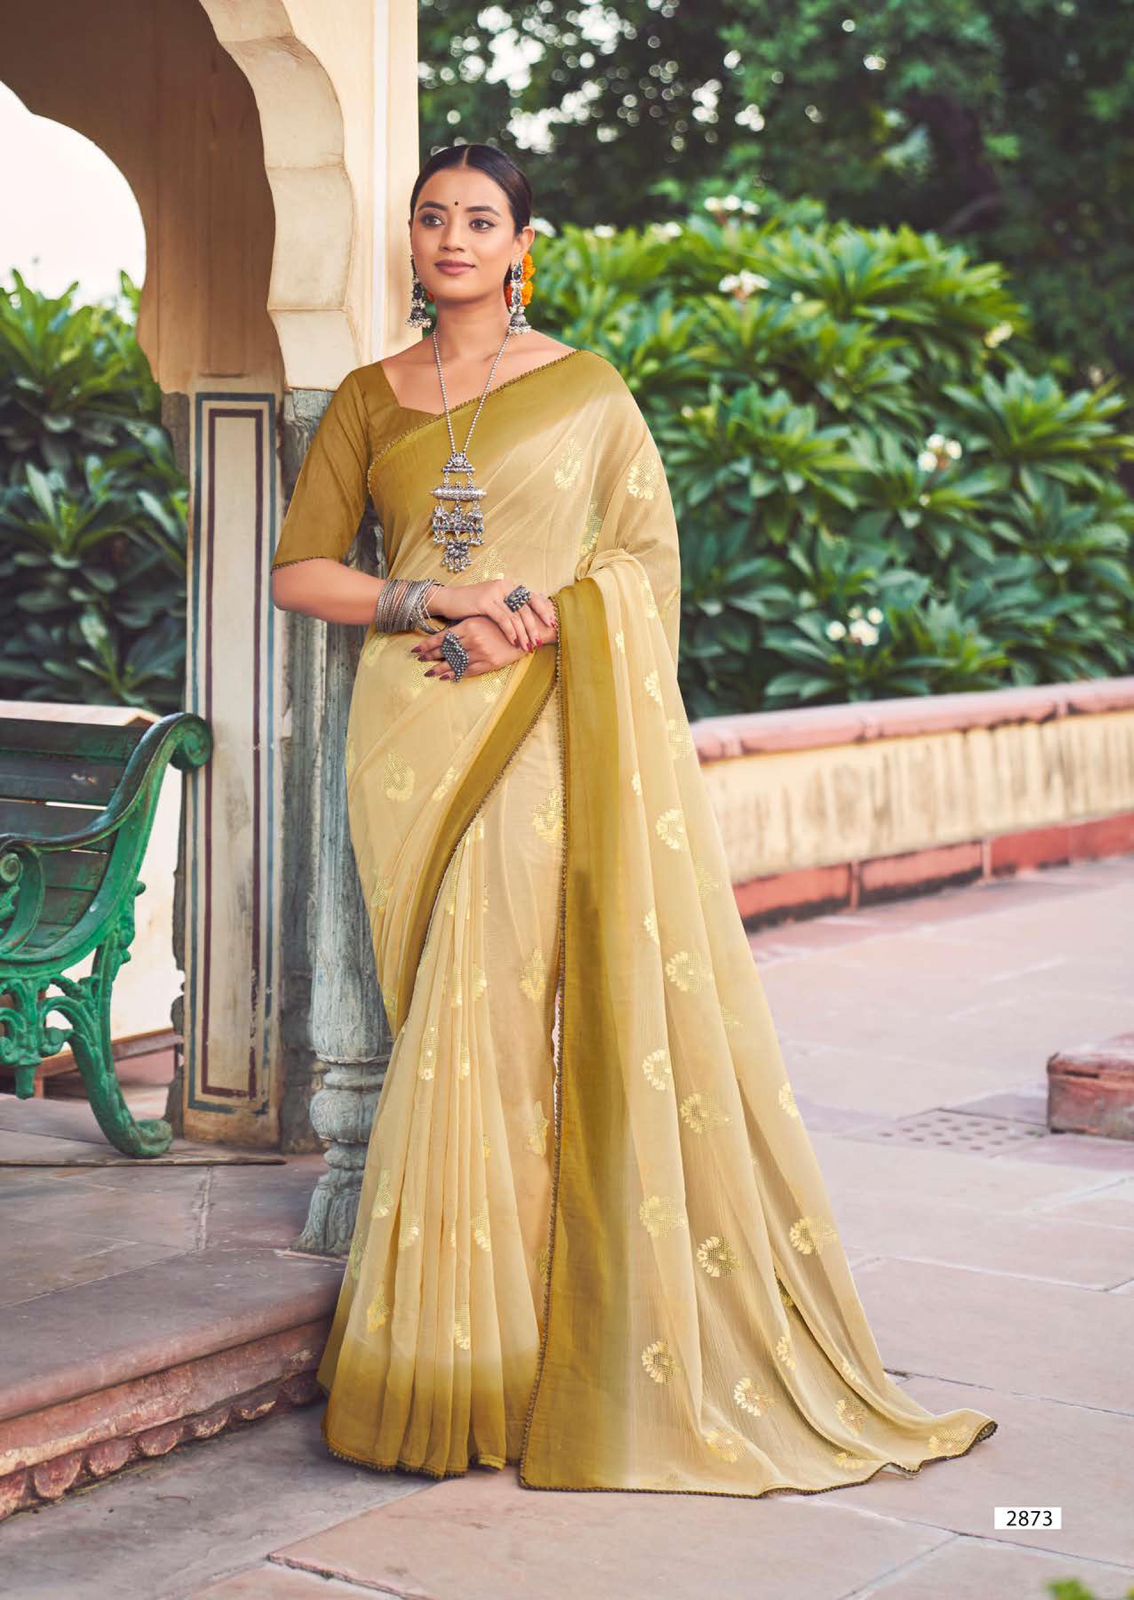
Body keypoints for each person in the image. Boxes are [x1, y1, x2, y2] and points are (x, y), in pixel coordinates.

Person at [269, 141, 997, 1497]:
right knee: (447, 1018)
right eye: (431, 217)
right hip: (412, 728)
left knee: (500, 1018)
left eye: (479, 219)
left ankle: (514, 1355)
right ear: (411, 242)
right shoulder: (370, 396)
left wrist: (536, 623)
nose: (451, 237)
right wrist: (434, 598)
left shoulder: (590, 390)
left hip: (543, 727)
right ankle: (460, 1357)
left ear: (521, 245)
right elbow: (300, 571)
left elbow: (640, 573)